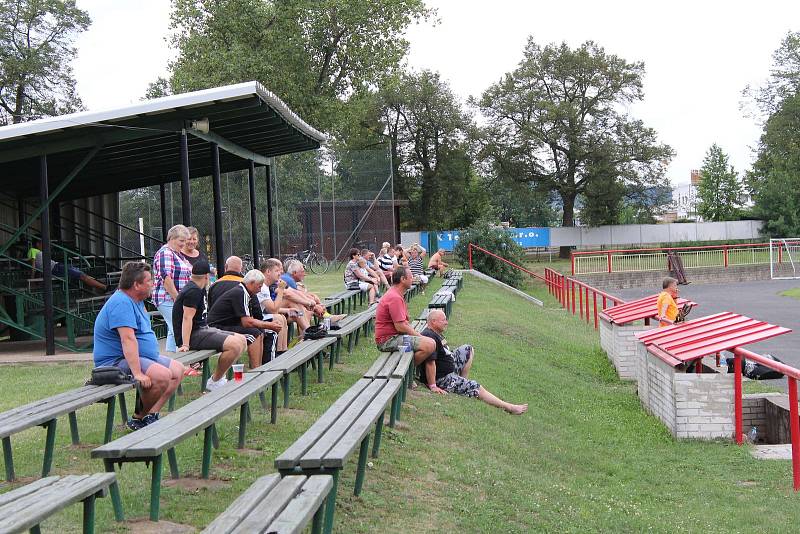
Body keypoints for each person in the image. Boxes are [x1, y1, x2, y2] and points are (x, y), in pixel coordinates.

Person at [93, 262, 185, 431]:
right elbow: (127, 340)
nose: (153, 283)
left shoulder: (137, 300)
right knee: (163, 376)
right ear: (136, 285)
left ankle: (151, 416)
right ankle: (137, 419)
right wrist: (137, 373)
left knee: (178, 370)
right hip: (115, 361)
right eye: (149, 281)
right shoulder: (121, 302)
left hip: (139, 356)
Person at [420, 310, 528, 414]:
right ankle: (509, 407)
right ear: (433, 322)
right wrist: (433, 386)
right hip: (442, 378)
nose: (446, 322)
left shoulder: (434, 333)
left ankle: (462, 382)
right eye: (443, 320)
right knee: (476, 386)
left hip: (447, 369)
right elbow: (430, 363)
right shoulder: (430, 337)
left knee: (467, 349)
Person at [172, 260, 248, 391]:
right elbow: (187, 318)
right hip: (193, 335)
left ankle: (221, 377)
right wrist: (184, 344)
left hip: (201, 329)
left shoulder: (198, 288)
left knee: (242, 340)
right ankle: (214, 381)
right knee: (234, 345)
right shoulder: (193, 290)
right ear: (207, 276)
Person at [208, 269, 280, 367]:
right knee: (254, 334)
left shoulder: (244, 291)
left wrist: (265, 325)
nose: (260, 289)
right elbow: (247, 323)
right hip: (216, 327)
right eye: (259, 286)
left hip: (227, 324)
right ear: (251, 283)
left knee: (259, 331)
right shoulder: (240, 292)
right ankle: (255, 371)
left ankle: (259, 368)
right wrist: (269, 325)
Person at [375, 265, 436, 368]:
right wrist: (419, 336)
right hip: (388, 340)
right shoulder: (395, 297)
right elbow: (400, 327)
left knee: (431, 342)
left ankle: (407, 372)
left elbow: (402, 323)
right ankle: (405, 372)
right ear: (403, 279)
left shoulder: (396, 294)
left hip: (394, 336)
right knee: (429, 345)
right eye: (411, 277)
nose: (413, 279)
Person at [152, 224, 192, 352]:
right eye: (181, 241)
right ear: (171, 238)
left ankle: (172, 361)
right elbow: (166, 278)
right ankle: (182, 360)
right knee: (178, 328)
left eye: (185, 241)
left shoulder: (178, 254)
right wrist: (178, 298)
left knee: (172, 329)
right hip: (167, 297)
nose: (184, 244)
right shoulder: (165, 253)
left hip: (175, 298)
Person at [27, 239, 107, 292]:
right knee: (82, 276)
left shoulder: (39, 252)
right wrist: (32, 280)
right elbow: (34, 266)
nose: (44, 245)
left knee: (82, 274)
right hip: (56, 268)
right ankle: (104, 287)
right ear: (37, 244)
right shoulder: (33, 250)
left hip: (58, 266)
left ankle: (103, 287)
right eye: (42, 243)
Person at [257, 258, 290, 355]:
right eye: (276, 271)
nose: (280, 274)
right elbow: (274, 310)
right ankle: (277, 354)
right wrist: (281, 290)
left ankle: (282, 351)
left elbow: (273, 308)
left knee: (282, 318)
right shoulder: (262, 286)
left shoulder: (265, 286)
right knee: (278, 318)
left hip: (259, 316)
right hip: (251, 319)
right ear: (268, 271)